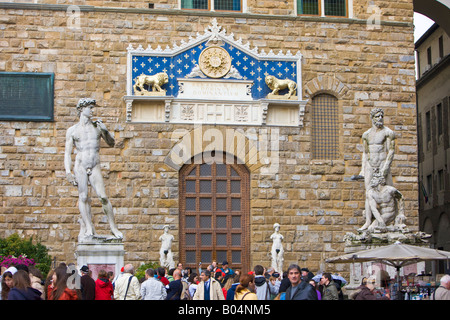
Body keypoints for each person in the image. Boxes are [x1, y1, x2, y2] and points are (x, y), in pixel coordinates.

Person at [65, 97, 122, 241]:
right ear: (81, 110)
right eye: (90, 107)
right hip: (80, 165)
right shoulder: (72, 130)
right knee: (83, 197)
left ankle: (113, 228)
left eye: (92, 107)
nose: (92, 110)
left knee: (103, 196)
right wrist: (68, 171)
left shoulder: (97, 127)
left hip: (95, 164)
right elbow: (67, 152)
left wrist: (106, 131)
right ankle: (89, 227)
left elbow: (111, 143)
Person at [358, 107, 396, 231]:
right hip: (370, 166)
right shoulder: (366, 135)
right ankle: (368, 221)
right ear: (372, 118)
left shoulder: (388, 132)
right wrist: (363, 170)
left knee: (389, 190)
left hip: (382, 165)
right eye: (377, 116)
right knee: (368, 193)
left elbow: (391, 151)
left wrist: (386, 168)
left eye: (381, 116)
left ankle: (392, 219)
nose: (380, 118)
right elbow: (365, 152)